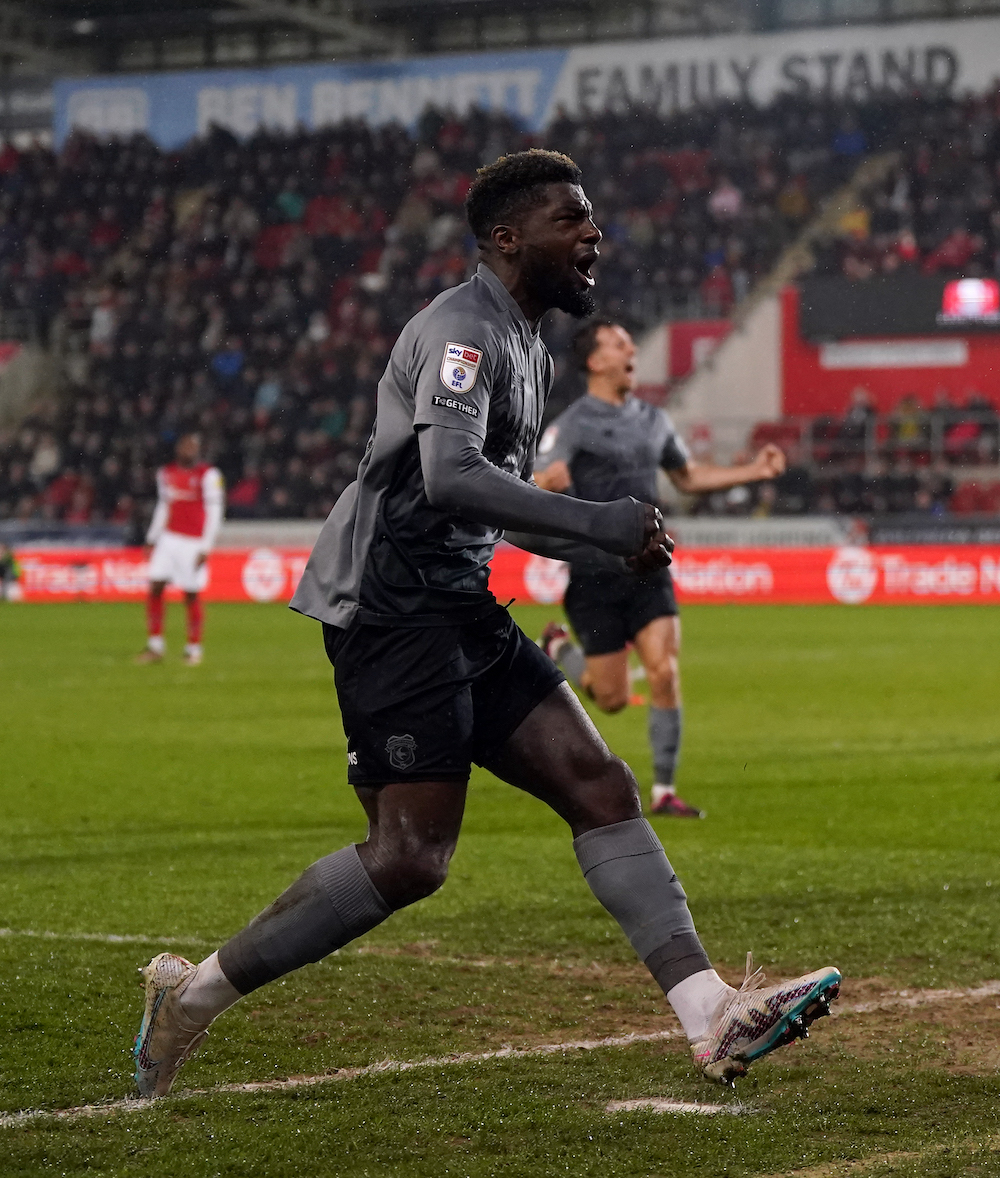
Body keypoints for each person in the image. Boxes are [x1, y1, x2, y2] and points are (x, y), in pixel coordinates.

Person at [133, 150, 839, 1100]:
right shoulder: (462, 332)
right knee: (410, 856)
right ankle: (193, 996)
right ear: (507, 237)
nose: (595, 235)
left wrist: (602, 550)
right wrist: (598, 518)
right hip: (393, 606)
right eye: (571, 219)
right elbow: (449, 477)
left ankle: (709, 1011)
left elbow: (489, 504)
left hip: (458, 600)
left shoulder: (528, 346)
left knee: (599, 782)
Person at [535, 320, 786, 817]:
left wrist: (753, 470)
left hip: (650, 564)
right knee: (609, 698)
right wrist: (545, 480)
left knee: (665, 672)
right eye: (620, 343)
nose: (632, 349)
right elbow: (536, 480)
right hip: (594, 575)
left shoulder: (653, 419)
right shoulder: (573, 424)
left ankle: (664, 792)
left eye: (631, 342)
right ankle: (559, 648)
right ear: (596, 361)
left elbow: (687, 477)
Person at [137, 432, 224, 667]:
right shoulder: (166, 473)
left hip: (193, 542)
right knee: (155, 586)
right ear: (178, 448)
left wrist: (206, 546)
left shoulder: (209, 475)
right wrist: (152, 537)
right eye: (185, 445)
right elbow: (164, 507)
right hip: (169, 539)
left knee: (190, 593)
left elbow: (215, 513)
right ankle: (155, 646)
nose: (188, 450)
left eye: (193, 446)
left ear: (199, 450)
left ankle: (193, 648)